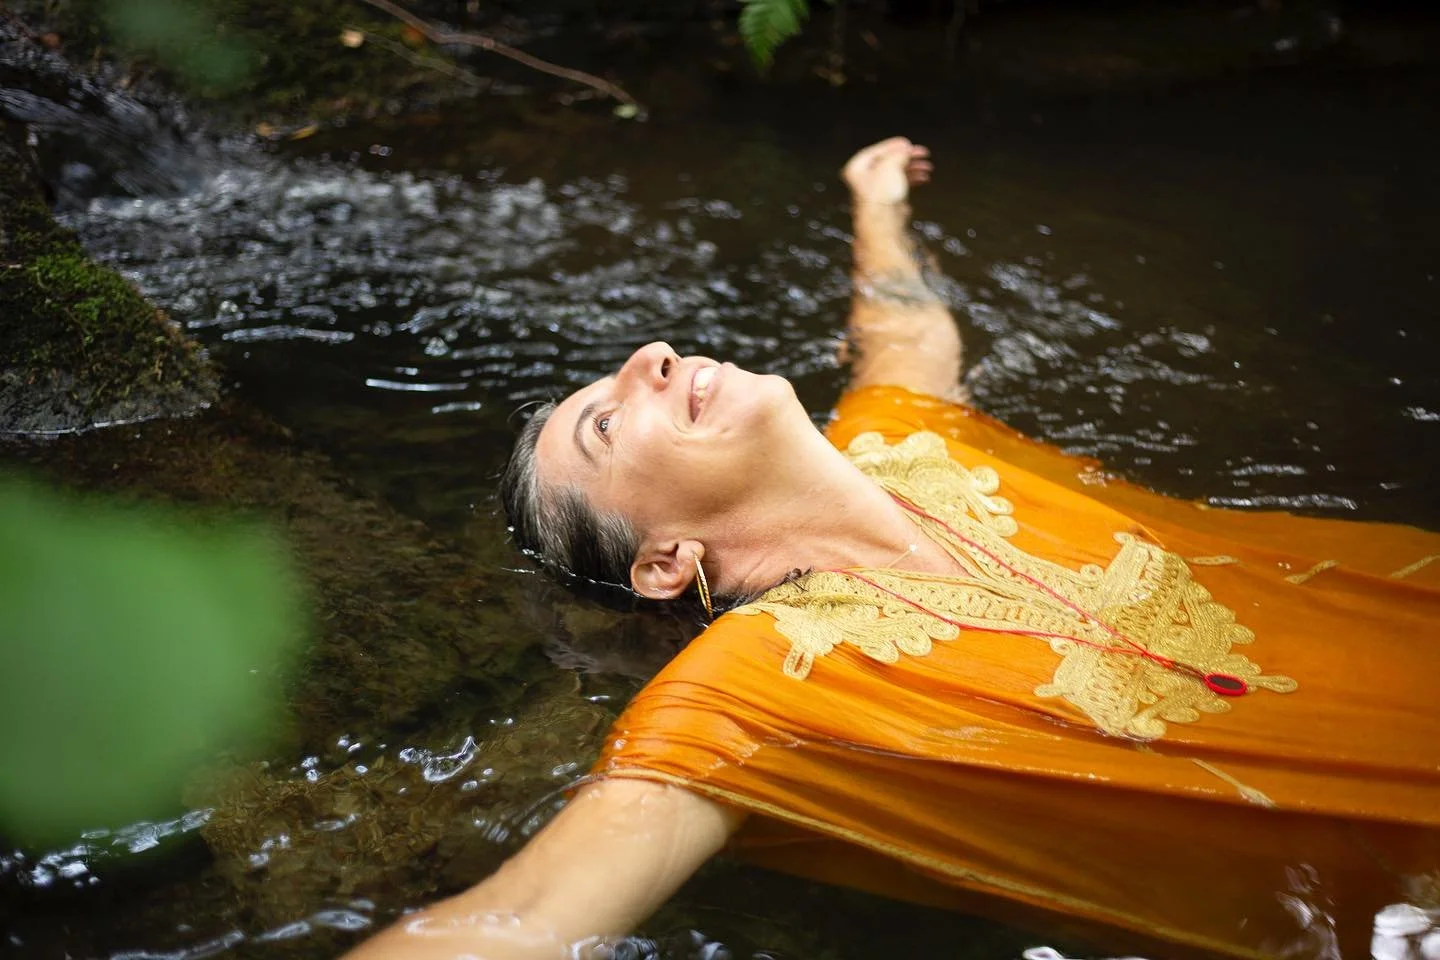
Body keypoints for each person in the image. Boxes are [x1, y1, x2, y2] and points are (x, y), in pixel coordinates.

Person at [346, 138, 1440, 960]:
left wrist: (874, 200)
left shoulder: (902, 441)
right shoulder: (747, 697)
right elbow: (524, 921)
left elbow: (905, 328)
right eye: (607, 421)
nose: (652, 356)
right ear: (664, 561)